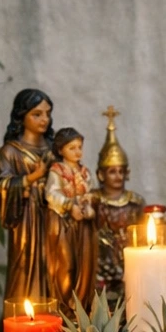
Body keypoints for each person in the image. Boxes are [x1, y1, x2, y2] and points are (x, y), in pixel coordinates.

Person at [0, 88, 55, 313]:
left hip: (52, 218)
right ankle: (21, 318)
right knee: (25, 267)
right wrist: (33, 177)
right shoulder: (12, 151)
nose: (44, 119)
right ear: (22, 116)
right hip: (26, 223)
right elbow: (2, 184)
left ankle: (55, 317)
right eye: (37, 114)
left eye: (47, 113)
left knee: (54, 266)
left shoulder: (53, 148)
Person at [93, 106, 145, 305]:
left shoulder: (135, 202)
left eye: (121, 171)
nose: (117, 176)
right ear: (101, 174)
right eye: (112, 171)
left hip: (128, 264)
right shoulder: (94, 200)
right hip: (101, 266)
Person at [44, 127, 98, 314]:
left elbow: (91, 193)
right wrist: (69, 206)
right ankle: (64, 306)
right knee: (66, 264)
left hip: (83, 226)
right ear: (61, 150)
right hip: (62, 223)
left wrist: (88, 205)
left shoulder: (85, 172)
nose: (77, 152)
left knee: (84, 264)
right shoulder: (57, 171)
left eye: (79, 147)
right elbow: (51, 194)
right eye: (72, 148)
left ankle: (80, 305)